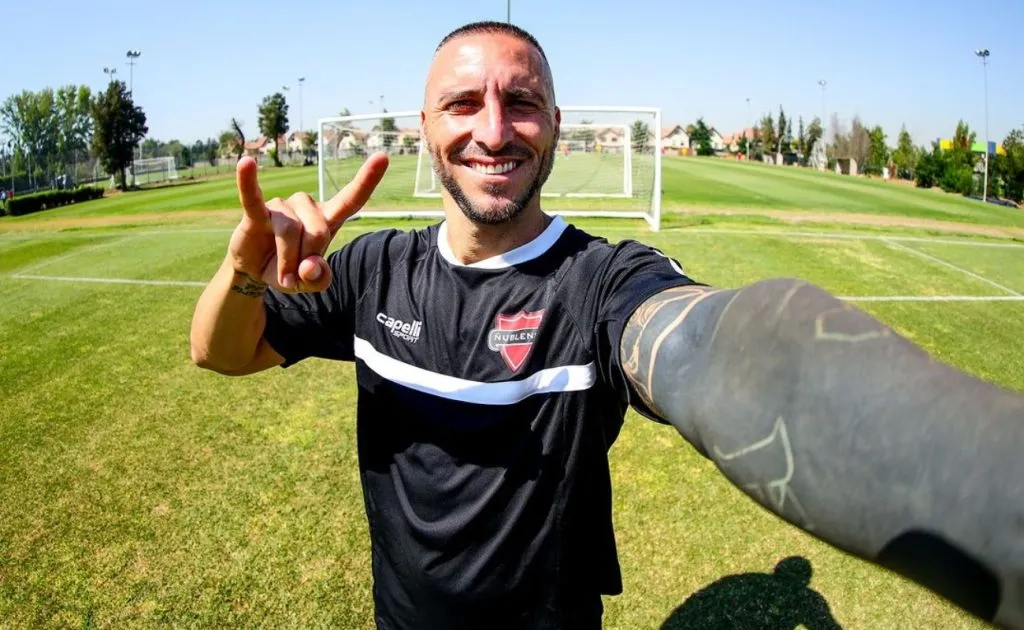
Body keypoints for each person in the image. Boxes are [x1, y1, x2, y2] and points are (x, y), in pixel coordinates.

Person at [190, 21, 1024, 630]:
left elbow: (698, 343)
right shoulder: (371, 271)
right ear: (427, 131)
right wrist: (242, 274)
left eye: (521, 103)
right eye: (463, 104)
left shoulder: (602, 281)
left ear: (555, 126)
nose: (492, 129)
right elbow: (217, 352)